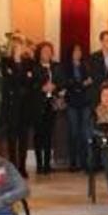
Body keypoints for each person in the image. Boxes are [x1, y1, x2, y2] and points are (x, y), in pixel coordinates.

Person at [0, 35, 34, 176]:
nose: (20, 49)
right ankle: (12, 167)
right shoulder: (5, 62)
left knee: (24, 138)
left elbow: (29, 82)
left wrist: (20, 77)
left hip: (25, 106)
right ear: (13, 48)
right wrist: (23, 77)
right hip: (11, 106)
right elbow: (10, 81)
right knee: (12, 139)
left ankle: (22, 167)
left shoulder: (28, 62)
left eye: (22, 46)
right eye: (18, 46)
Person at [31, 42, 63, 174]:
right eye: (45, 51)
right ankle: (39, 164)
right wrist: (41, 88)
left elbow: (62, 81)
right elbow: (31, 84)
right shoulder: (34, 67)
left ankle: (47, 164)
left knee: (49, 134)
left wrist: (56, 87)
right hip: (38, 104)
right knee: (39, 135)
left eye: (50, 51)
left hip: (51, 103)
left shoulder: (56, 66)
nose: (47, 54)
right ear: (40, 53)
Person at [62, 43, 92, 171]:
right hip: (72, 103)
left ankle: (84, 161)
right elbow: (67, 84)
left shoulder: (86, 65)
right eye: (75, 50)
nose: (78, 52)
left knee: (85, 132)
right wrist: (81, 84)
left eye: (80, 50)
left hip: (85, 102)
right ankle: (73, 162)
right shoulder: (66, 67)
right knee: (73, 132)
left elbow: (90, 81)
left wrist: (79, 85)